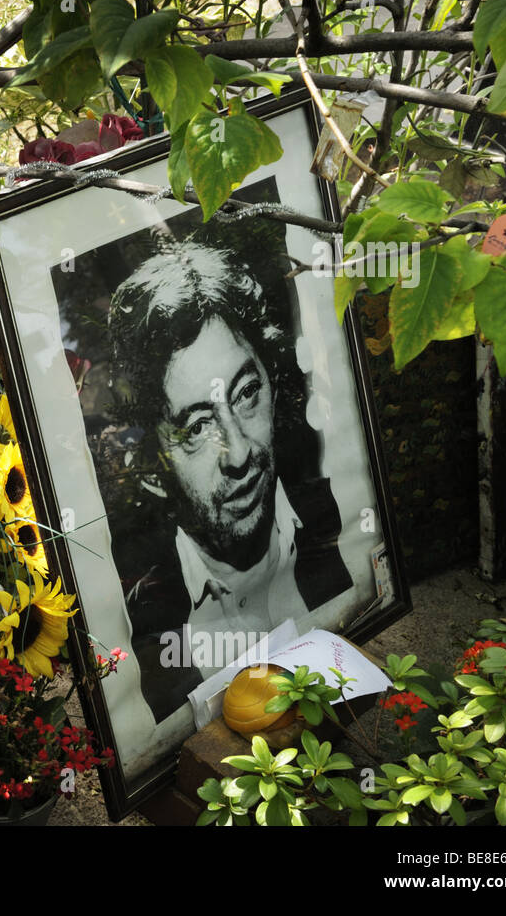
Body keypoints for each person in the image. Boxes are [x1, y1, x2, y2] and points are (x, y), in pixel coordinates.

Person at [107, 239, 353, 723]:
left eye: (245, 394)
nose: (239, 452)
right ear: (154, 465)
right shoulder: (137, 626)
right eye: (197, 427)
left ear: (274, 385)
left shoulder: (348, 523)